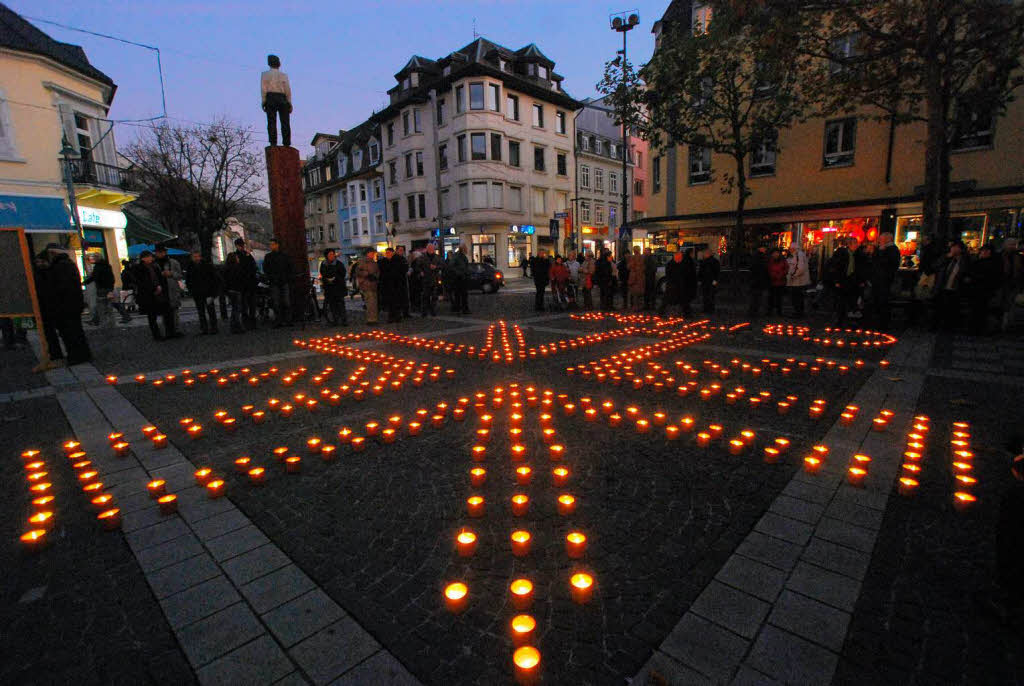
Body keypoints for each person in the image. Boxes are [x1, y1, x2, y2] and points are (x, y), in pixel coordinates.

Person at [41, 246, 92, 365]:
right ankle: (82, 354)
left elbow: (61, 287)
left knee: (70, 333)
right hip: (72, 304)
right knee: (76, 331)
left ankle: (76, 356)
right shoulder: (68, 264)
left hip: (65, 305)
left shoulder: (60, 267)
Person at [135, 249, 178, 340]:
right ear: (144, 258)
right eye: (150, 256)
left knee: (166, 312)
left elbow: (158, 278)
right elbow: (143, 283)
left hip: (158, 293)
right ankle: (157, 335)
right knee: (152, 316)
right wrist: (154, 288)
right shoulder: (140, 269)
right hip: (150, 295)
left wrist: (160, 287)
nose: (152, 258)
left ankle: (169, 332)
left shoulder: (154, 266)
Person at [965, 244, 1002, 335]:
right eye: (983, 251)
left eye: (986, 251)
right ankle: (975, 328)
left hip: (984, 290)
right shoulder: (980, 261)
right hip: (977, 290)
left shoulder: (992, 263)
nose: (984, 253)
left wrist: (973, 278)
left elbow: (990, 277)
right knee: (976, 310)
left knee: (980, 310)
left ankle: (977, 328)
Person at [869, 232, 901, 331]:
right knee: (877, 301)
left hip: (884, 281)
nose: (879, 241)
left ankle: (883, 324)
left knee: (883, 302)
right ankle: (878, 322)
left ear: (887, 239)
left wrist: (879, 252)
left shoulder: (892, 250)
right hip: (878, 280)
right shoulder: (883, 249)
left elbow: (885, 264)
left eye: (881, 239)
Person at [933, 241, 968, 331]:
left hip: (955, 288)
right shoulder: (947, 258)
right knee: (940, 307)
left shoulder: (964, 261)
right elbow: (935, 266)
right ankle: (936, 325)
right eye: (953, 247)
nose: (954, 249)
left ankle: (949, 326)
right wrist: (946, 257)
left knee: (952, 308)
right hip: (943, 286)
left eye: (956, 247)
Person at [185, 250, 222, 334]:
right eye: (195, 257)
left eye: (197, 256)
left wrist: (213, 293)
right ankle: (205, 328)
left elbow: (214, 279)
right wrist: (191, 290)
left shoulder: (206, 266)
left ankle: (213, 327)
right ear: (192, 258)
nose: (196, 258)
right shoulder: (191, 267)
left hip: (207, 292)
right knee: (201, 312)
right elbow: (188, 280)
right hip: (198, 293)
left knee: (210, 311)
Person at [261, 54, 292, 147]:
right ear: (279, 63)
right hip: (282, 98)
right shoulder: (283, 75)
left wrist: (263, 101)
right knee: (285, 122)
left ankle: (273, 142)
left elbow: (263, 89)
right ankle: (286, 142)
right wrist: (289, 102)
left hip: (270, 97)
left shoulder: (265, 74)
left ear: (269, 63)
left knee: (271, 121)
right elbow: (287, 89)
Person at [262, 238, 292, 326]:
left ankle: (286, 320)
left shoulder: (283, 256)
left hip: (282, 281)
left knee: (285, 302)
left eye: (272, 244)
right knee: (276, 302)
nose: (271, 246)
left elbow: (289, 268)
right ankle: (280, 320)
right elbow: (266, 269)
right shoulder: (269, 257)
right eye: (270, 244)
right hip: (275, 282)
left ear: (277, 245)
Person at [154, 245, 184, 330]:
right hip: (161, 290)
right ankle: (167, 329)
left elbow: (180, 275)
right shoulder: (154, 264)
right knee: (164, 310)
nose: (160, 254)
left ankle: (176, 328)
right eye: (158, 252)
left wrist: (171, 274)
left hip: (172, 289)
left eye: (162, 252)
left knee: (174, 310)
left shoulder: (173, 262)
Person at [83, 253, 116, 327]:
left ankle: (102, 322)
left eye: (94, 257)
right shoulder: (107, 265)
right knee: (108, 306)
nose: (93, 259)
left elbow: (94, 277)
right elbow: (111, 278)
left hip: (101, 288)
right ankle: (110, 322)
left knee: (101, 306)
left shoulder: (97, 266)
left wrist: (85, 282)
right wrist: (111, 288)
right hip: (108, 288)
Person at [319, 248, 348, 326]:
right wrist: (326, 279)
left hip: (338, 287)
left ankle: (343, 320)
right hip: (329, 288)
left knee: (340, 304)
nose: (332, 256)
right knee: (332, 305)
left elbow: (343, 273)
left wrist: (335, 278)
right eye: (330, 254)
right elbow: (322, 273)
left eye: (333, 254)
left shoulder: (339, 264)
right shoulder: (324, 264)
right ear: (326, 256)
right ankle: (335, 320)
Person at [1000, 238, 1023, 331]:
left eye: (1014, 245)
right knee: (1003, 302)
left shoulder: (1018, 257)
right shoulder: (1001, 257)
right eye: (1011, 245)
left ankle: (1006, 322)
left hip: (1013, 283)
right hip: (1003, 282)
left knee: (1009, 303)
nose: (1012, 247)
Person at [413, 244, 443, 316]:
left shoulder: (437, 257)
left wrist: (436, 267)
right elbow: (417, 266)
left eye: (432, 249)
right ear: (427, 249)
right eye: (429, 249)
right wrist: (420, 271)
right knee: (425, 296)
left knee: (434, 296)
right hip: (425, 279)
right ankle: (424, 311)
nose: (430, 250)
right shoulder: (422, 257)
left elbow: (442, 266)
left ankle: (433, 310)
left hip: (434, 279)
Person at [234, 238, 259, 326]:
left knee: (248, 304)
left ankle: (249, 321)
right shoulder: (243, 255)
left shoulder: (241, 255)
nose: (242, 247)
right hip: (246, 283)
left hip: (246, 283)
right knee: (247, 304)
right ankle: (250, 321)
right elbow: (253, 267)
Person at [354, 248, 380, 324]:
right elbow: (358, 271)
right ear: (368, 253)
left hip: (373, 284)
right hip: (366, 284)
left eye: (373, 253)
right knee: (369, 302)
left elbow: (378, 271)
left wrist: (375, 276)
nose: (373, 255)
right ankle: (371, 319)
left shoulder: (374, 262)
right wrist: (366, 274)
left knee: (374, 302)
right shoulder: (362, 262)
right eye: (372, 253)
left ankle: (374, 318)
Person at [223, 252, 246, 333]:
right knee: (237, 309)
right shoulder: (237, 268)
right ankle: (237, 326)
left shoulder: (226, 268)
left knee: (234, 308)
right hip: (237, 290)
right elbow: (240, 279)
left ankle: (233, 325)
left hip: (230, 290)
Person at [786, 245, 811, 318]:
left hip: (798, 281)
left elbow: (800, 268)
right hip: (797, 281)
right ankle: (798, 312)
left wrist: (793, 275)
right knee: (797, 297)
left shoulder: (798, 255)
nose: (790, 250)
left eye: (790, 249)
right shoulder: (796, 255)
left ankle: (798, 312)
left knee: (797, 297)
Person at [448, 244, 471, 315]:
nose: (467, 250)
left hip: (463, 277)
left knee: (463, 294)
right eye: (466, 248)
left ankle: (463, 308)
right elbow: (451, 266)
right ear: (463, 249)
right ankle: (459, 308)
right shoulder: (457, 256)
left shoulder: (463, 256)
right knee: (459, 294)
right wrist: (458, 273)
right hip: (458, 278)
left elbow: (466, 266)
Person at [748, 246, 770, 316]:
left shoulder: (762, 257)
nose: (764, 249)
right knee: (756, 296)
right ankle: (754, 310)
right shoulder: (758, 257)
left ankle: (755, 310)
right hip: (757, 279)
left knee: (758, 297)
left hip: (760, 280)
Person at [767, 248, 789, 316]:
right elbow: (768, 269)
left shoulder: (783, 261)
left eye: (777, 253)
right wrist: (773, 275)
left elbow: (786, 269)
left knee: (779, 297)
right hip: (772, 281)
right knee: (771, 297)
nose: (775, 254)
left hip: (780, 281)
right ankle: (770, 311)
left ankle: (779, 311)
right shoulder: (770, 261)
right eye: (774, 253)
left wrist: (781, 275)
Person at [627, 246, 646, 312]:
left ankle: (636, 306)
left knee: (635, 293)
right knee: (638, 293)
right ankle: (639, 306)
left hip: (635, 277)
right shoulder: (642, 257)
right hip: (639, 277)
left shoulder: (633, 258)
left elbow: (629, 266)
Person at [395, 246, 411, 318]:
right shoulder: (395, 259)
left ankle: (406, 312)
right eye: (400, 250)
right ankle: (399, 313)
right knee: (399, 298)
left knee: (405, 297)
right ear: (397, 251)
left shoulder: (403, 258)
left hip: (403, 280)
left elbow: (406, 267)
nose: (402, 251)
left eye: (402, 250)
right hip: (398, 281)